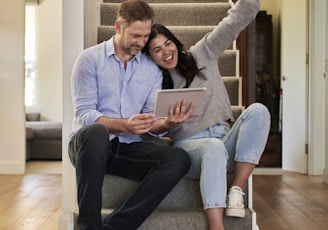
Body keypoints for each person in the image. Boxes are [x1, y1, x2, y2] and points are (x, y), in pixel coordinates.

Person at [143, 0, 270, 229]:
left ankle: (237, 190)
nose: (166, 52)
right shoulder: (152, 83)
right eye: (157, 50)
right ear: (150, 57)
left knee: (259, 111)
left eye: (168, 43)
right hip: (191, 150)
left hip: (225, 138)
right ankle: (216, 226)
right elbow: (148, 126)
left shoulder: (203, 52)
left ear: (175, 42)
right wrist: (167, 123)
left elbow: (237, 19)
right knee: (212, 146)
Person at [68, 1, 194, 229]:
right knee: (96, 131)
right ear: (118, 27)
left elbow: (149, 120)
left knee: (178, 158)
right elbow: (84, 114)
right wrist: (124, 125)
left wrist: (165, 122)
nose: (142, 42)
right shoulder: (89, 60)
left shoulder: (151, 69)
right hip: (89, 147)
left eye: (146, 36)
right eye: (136, 35)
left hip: (125, 148)